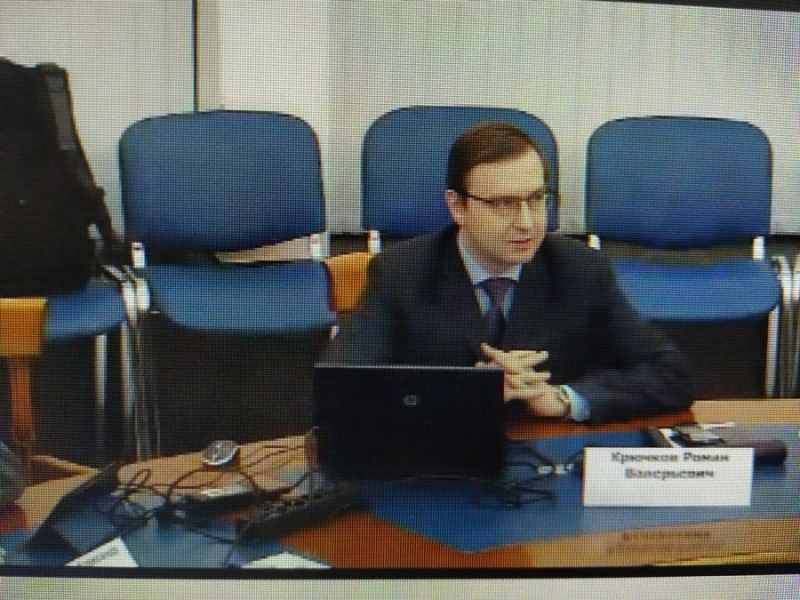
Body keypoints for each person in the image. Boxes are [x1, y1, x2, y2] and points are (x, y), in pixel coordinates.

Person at [323, 121, 692, 423]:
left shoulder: (579, 269)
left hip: (547, 454)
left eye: (536, 199)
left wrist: (564, 400)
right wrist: (466, 393)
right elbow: (338, 389)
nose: (527, 223)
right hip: (442, 457)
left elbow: (672, 374)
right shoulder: (401, 273)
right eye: (503, 204)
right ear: (457, 207)